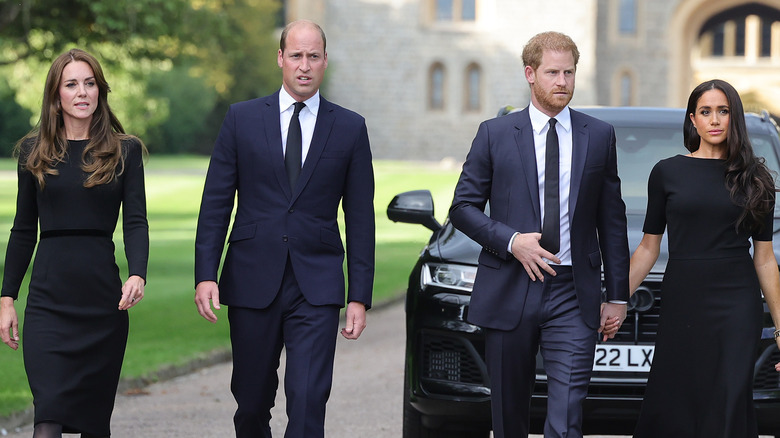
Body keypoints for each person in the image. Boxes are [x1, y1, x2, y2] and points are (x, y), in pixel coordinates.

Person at [193, 20, 375, 438]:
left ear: (325, 61)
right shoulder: (241, 119)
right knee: (252, 402)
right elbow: (216, 203)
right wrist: (206, 273)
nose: (304, 65)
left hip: (318, 283)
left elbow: (361, 218)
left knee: (310, 400)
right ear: (280, 58)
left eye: (314, 56)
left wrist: (359, 296)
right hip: (252, 278)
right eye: (296, 55)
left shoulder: (349, 127)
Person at [448, 31, 630, 438]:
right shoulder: (494, 134)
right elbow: (461, 209)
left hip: (572, 291)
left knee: (566, 416)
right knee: (509, 415)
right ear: (530, 74)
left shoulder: (599, 135)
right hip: (511, 284)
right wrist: (512, 241)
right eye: (552, 72)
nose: (562, 81)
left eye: (569, 72)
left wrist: (617, 295)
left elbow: (612, 221)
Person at [0, 48, 148, 438]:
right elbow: (22, 229)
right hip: (49, 303)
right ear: (56, 96)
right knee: (46, 421)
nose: (82, 92)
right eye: (71, 84)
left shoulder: (125, 151)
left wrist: (138, 273)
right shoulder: (33, 153)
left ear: (100, 91)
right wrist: (6, 298)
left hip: (102, 304)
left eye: (90, 83)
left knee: (94, 426)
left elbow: (135, 221)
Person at [629, 79, 780, 437]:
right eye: (706, 111)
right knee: (675, 398)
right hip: (683, 300)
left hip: (735, 305)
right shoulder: (667, 172)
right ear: (692, 120)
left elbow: (764, 258)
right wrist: (616, 298)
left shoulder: (756, 179)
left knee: (727, 399)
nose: (715, 120)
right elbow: (649, 247)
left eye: (723, 111)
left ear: (734, 118)